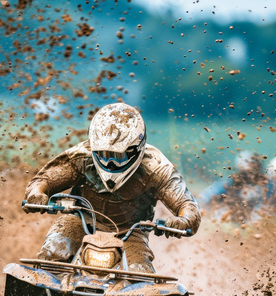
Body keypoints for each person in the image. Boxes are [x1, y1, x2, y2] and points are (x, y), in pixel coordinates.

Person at [24, 102, 201, 273]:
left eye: (119, 156)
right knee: (52, 253)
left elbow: (187, 206)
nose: (110, 163)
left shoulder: (157, 167)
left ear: (136, 149)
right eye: (103, 154)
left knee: (139, 275)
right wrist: (36, 194)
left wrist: (183, 220)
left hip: (130, 233)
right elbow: (44, 179)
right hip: (80, 221)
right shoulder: (81, 156)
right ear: (93, 146)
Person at [198, 151, 276, 223]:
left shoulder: (268, 186)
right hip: (232, 221)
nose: (250, 175)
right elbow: (204, 198)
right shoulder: (229, 183)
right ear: (240, 171)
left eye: (254, 170)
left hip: (255, 223)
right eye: (246, 172)